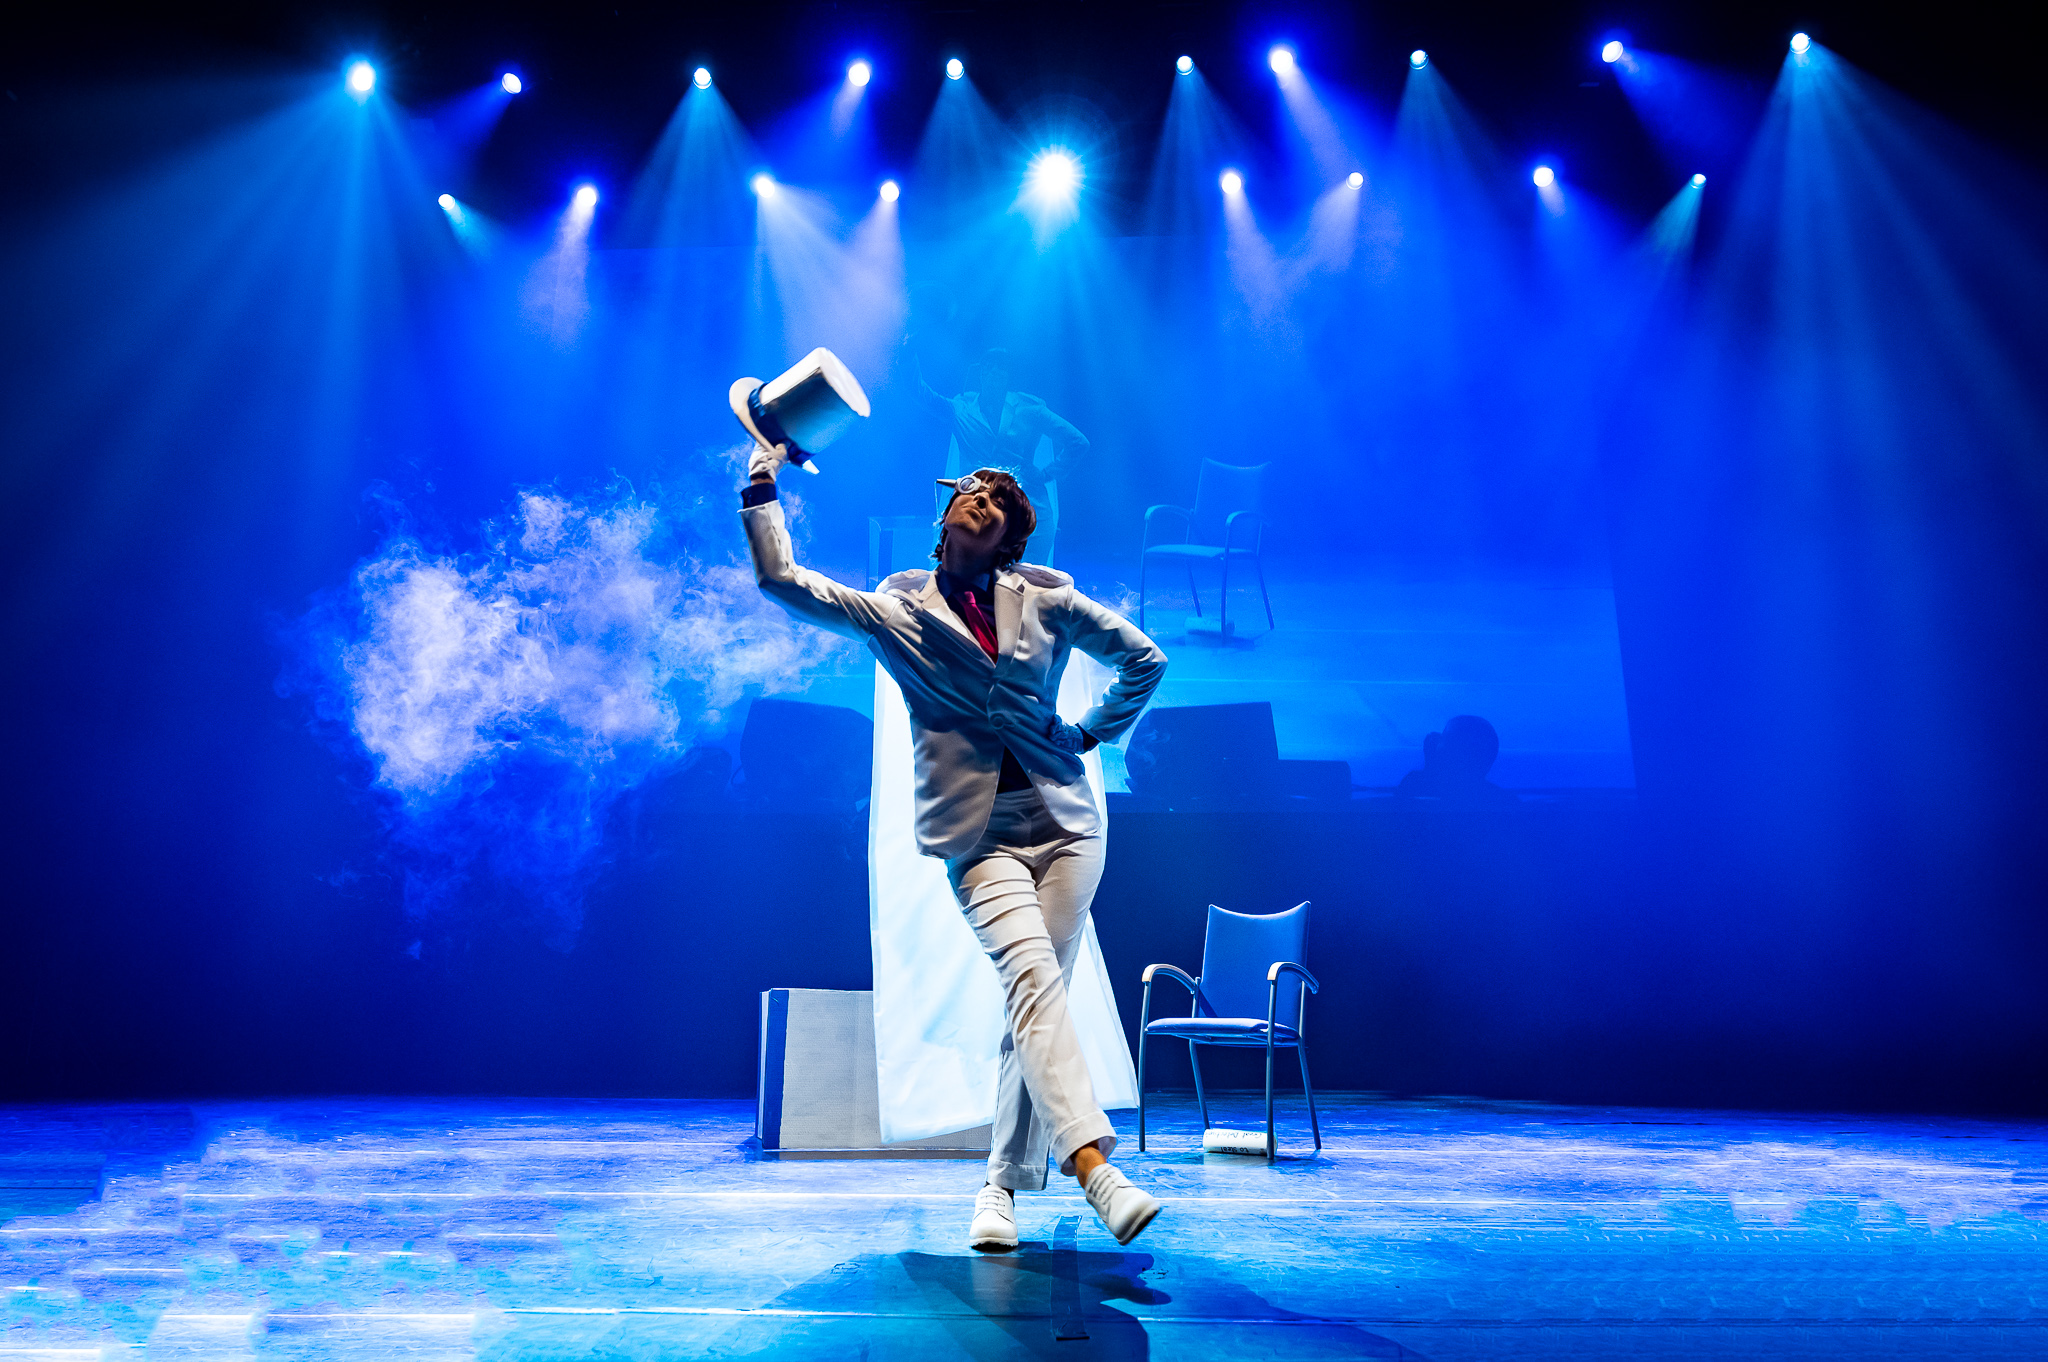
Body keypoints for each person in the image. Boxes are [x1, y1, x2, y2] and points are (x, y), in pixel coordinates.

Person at [738, 443, 1168, 1250]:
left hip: (1068, 827)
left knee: (1034, 1004)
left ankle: (998, 1187)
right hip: (979, 837)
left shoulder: (1048, 601)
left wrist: (1089, 734)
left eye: (996, 500)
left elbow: (1145, 660)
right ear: (945, 518)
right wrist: (762, 487)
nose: (979, 498)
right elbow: (784, 582)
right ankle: (1095, 1172)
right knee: (1032, 981)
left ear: (1009, 536)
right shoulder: (896, 612)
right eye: (970, 490)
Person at [915, 347, 1090, 567]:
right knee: (977, 583)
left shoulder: (1029, 409)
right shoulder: (962, 409)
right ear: (980, 373)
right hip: (979, 515)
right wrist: (907, 354)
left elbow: (1078, 442)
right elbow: (922, 394)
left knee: (1027, 583)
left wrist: (1046, 474)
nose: (993, 372)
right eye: (988, 367)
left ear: (1009, 376)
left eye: (1001, 368)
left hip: (1027, 514)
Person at [1394, 715, 1516, 804]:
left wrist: (1429, 768)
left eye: (1444, 737)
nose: (1435, 740)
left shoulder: (1414, 784)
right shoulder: (1505, 802)